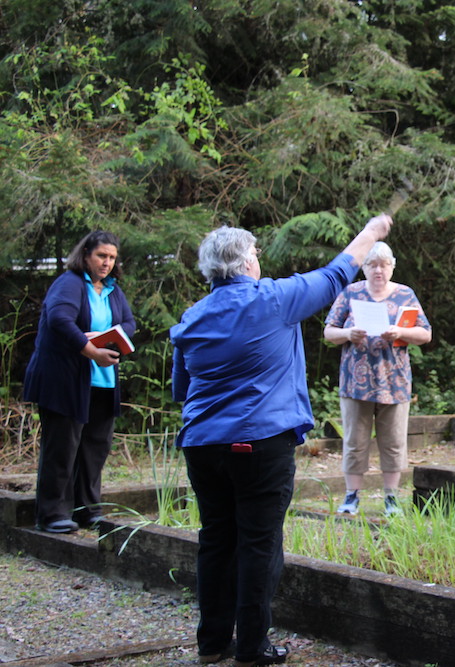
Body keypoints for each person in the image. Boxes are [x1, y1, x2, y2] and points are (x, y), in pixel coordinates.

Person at [170, 214, 391, 667]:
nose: (258, 260)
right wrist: (371, 233)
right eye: (254, 253)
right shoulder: (272, 299)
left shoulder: (192, 317)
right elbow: (335, 273)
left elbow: (181, 390)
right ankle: (252, 648)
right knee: (258, 541)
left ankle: (212, 644)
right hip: (258, 442)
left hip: (202, 443)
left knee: (215, 538)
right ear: (244, 262)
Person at [24, 230, 136, 534]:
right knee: (62, 446)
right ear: (85, 254)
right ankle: (52, 513)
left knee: (94, 447)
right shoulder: (69, 284)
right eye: (102, 256)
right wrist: (90, 349)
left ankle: (87, 509)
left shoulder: (112, 290)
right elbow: (59, 320)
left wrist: (106, 339)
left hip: (101, 380)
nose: (107, 263)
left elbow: (128, 323)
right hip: (64, 381)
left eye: (112, 257)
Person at [323, 241, 432, 517]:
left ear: (392, 267)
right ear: (365, 267)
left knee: (394, 441)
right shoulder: (352, 293)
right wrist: (348, 334)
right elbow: (329, 332)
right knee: (354, 440)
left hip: (394, 382)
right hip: (354, 383)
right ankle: (351, 497)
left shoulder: (405, 295)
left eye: (384, 265)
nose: (378, 270)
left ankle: (391, 498)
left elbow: (425, 334)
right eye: (372, 264)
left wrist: (399, 332)